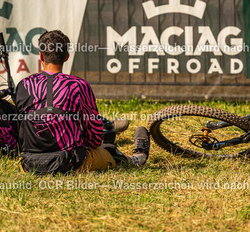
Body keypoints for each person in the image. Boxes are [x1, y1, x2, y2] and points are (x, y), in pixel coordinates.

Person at [14, 30, 150, 173]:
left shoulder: (23, 85)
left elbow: (20, 129)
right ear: (66, 57)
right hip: (69, 163)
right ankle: (137, 158)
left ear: (41, 55)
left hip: (28, 164)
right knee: (109, 151)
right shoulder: (78, 85)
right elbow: (94, 137)